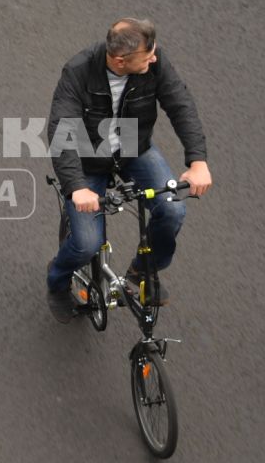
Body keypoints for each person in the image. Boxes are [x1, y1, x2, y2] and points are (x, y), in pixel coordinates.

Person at [46, 18, 211, 319]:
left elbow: (180, 105)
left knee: (172, 210)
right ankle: (56, 281)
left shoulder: (155, 63)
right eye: (147, 57)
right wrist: (77, 186)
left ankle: (143, 270)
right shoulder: (79, 71)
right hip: (89, 161)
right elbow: (61, 131)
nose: (155, 59)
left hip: (135, 150)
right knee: (85, 244)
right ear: (120, 60)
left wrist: (197, 160)